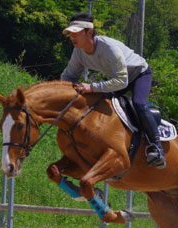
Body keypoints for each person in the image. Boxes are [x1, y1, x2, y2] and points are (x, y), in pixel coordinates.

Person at [61, 12, 166, 169]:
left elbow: (121, 81)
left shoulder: (109, 47)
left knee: (139, 104)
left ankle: (157, 148)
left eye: (76, 32)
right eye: (70, 33)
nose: (72, 36)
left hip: (139, 75)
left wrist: (92, 87)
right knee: (99, 104)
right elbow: (69, 76)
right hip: (118, 80)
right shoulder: (79, 51)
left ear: (89, 32)